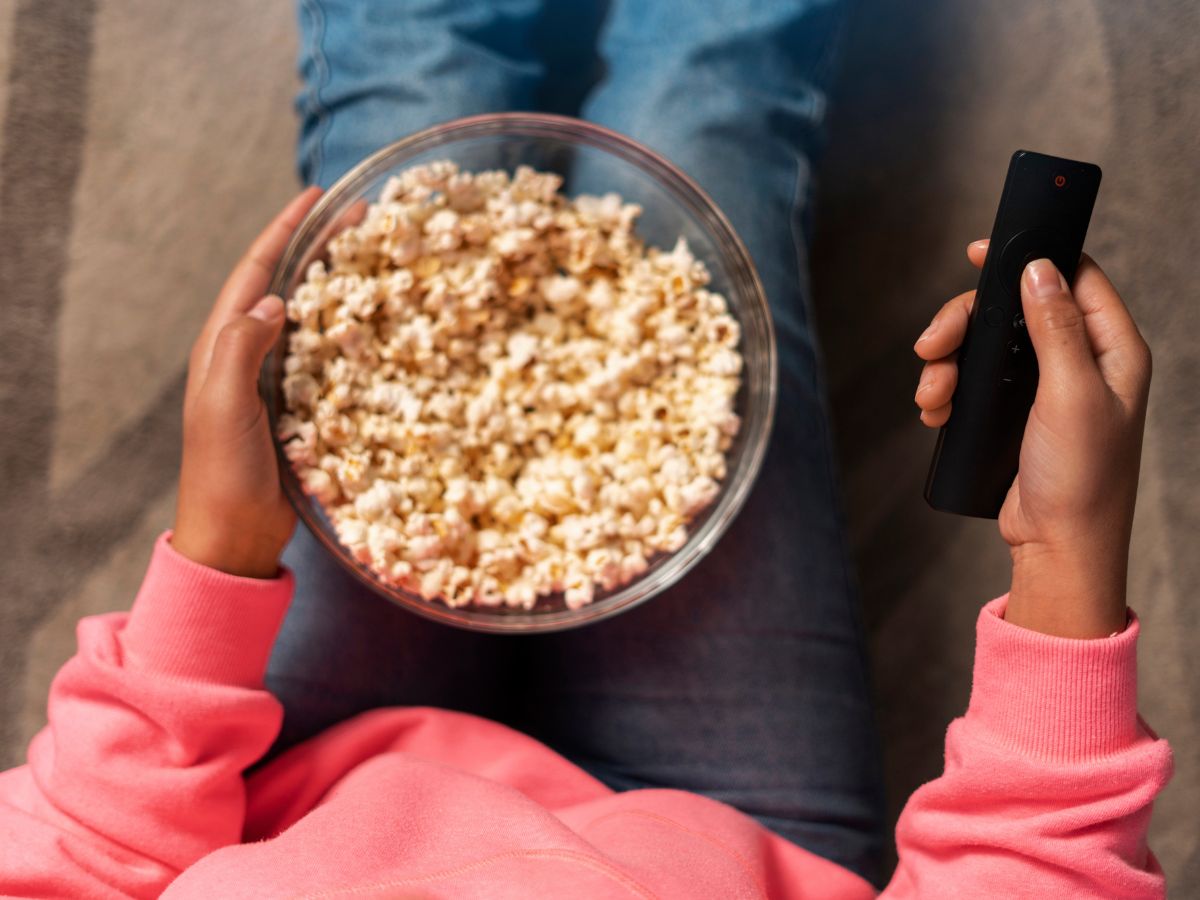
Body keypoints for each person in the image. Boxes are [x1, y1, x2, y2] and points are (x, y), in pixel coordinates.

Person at [0, 2, 1172, 897]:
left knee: (416, 121)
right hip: (742, 838)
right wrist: (1066, 557)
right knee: (706, 134)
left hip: (302, 777)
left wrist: (216, 560)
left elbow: (69, 858)